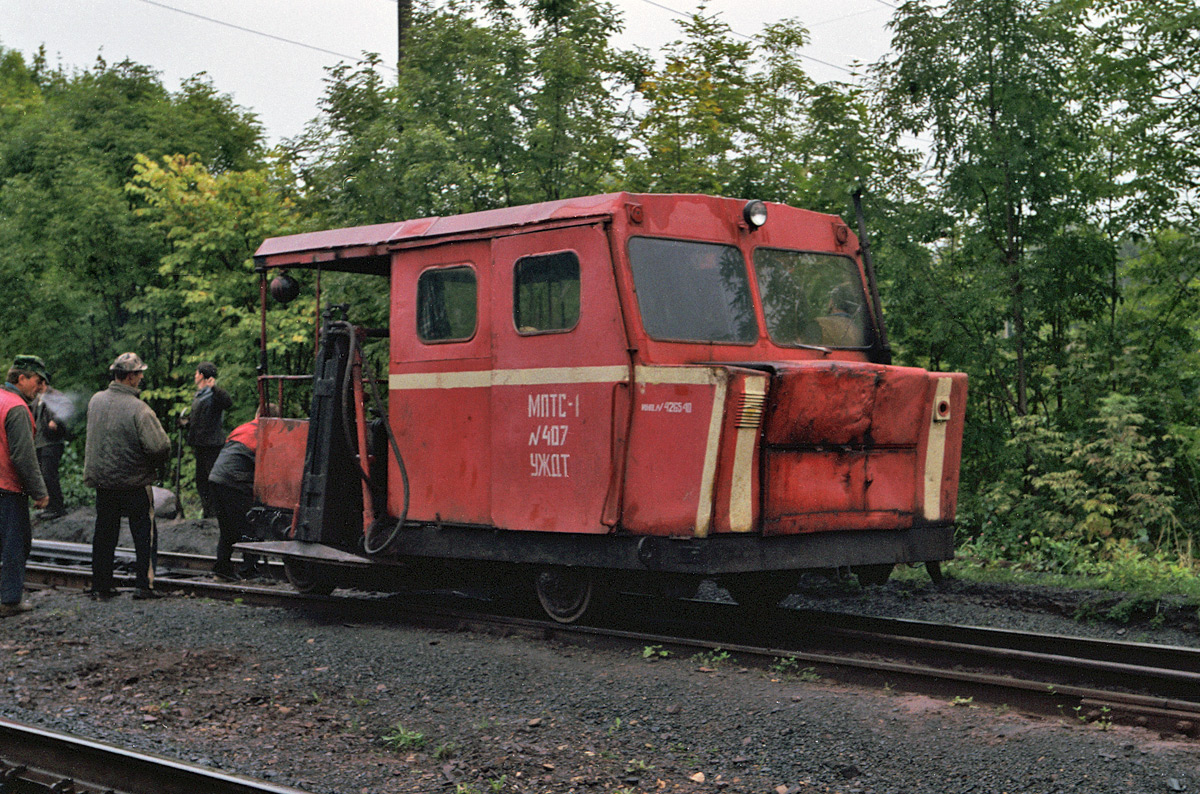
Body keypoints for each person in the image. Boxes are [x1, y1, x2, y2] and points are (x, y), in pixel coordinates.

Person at [83, 352, 172, 600]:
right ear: (131, 377)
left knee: (104, 533)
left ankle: (101, 586)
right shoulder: (139, 409)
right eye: (139, 373)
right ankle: (144, 585)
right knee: (144, 534)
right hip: (134, 482)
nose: (142, 377)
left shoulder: (96, 401)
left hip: (103, 481)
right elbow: (160, 446)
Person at [0, 356, 50, 616]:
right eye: (37, 381)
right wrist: (39, 492)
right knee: (15, 545)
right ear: (21, 378)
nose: (39, 388)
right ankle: (9, 600)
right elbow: (23, 456)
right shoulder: (17, 408)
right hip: (7, 487)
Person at [209, 405, 276, 581]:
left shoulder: (241, 428)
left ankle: (222, 569)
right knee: (252, 525)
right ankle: (249, 571)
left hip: (216, 478)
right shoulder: (266, 434)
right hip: (235, 481)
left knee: (227, 528)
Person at [184, 361, 232, 519]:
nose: (194, 376)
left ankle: (215, 515)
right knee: (201, 482)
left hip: (212, 445)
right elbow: (200, 419)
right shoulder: (200, 395)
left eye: (196, 373)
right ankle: (207, 513)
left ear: (202, 375)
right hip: (201, 445)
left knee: (212, 481)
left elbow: (227, 402)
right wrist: (187, 423)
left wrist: (214, 387)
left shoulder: (214, 394)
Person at [33, 385, 71, 520]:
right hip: (39, 443)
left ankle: (57, 508)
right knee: (44, 475)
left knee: (49, 474)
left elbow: (67, 405)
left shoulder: (54, 394)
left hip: (51, 442)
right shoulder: (37, 398)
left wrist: (56, 420)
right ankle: (50, 507)